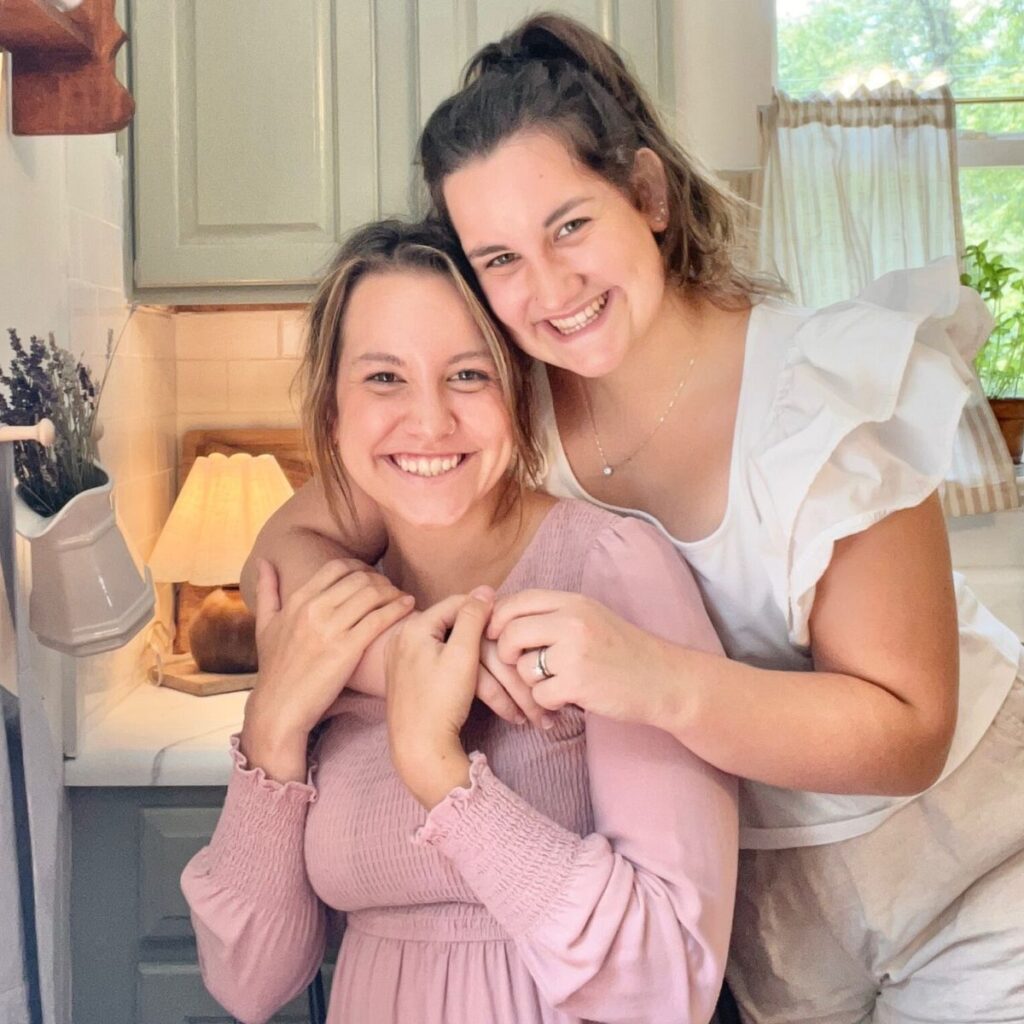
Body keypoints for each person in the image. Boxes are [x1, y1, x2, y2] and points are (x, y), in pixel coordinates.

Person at [245, 14, 1024, 1024]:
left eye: (570, 225)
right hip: (770, 912)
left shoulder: (821, 392)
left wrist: (651, 677)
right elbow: (284, 550)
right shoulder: (508, 409)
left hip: (966, 860)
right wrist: (416, 656)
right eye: (499, 259)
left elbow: (908, 730)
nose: (550, 288)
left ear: (647, 196)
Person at [182, 219, 737, 1024]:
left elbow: (666, 982)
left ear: (520, 390)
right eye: (383, 378)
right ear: (331, 411)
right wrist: (271, 730)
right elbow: (251, 981)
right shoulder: (333, 617)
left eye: (468, 375)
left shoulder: (611, 573)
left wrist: (439, 772)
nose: (430, 420)